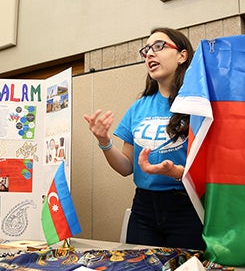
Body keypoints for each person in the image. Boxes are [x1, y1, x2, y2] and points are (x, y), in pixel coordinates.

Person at [84, 27, 206, 250]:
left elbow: (210, 166)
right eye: (147, 49)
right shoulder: (139, 107)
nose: (150, 53)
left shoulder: (197, 104)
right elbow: (125, 167)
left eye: (159, 46)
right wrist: (104, 141)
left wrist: (176, 172)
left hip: (186, 205)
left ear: (182, 55)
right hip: (144, 208)